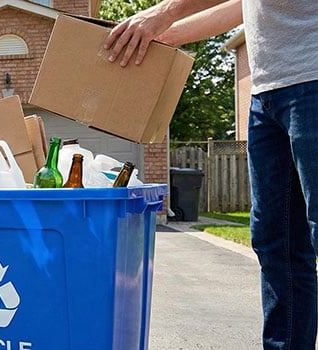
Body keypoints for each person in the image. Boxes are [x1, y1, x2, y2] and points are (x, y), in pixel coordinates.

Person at [104, 1, 318, 348]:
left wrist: (164, 13)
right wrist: (164, 35)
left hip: (312, 78)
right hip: (266, 93)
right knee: (277, 242)